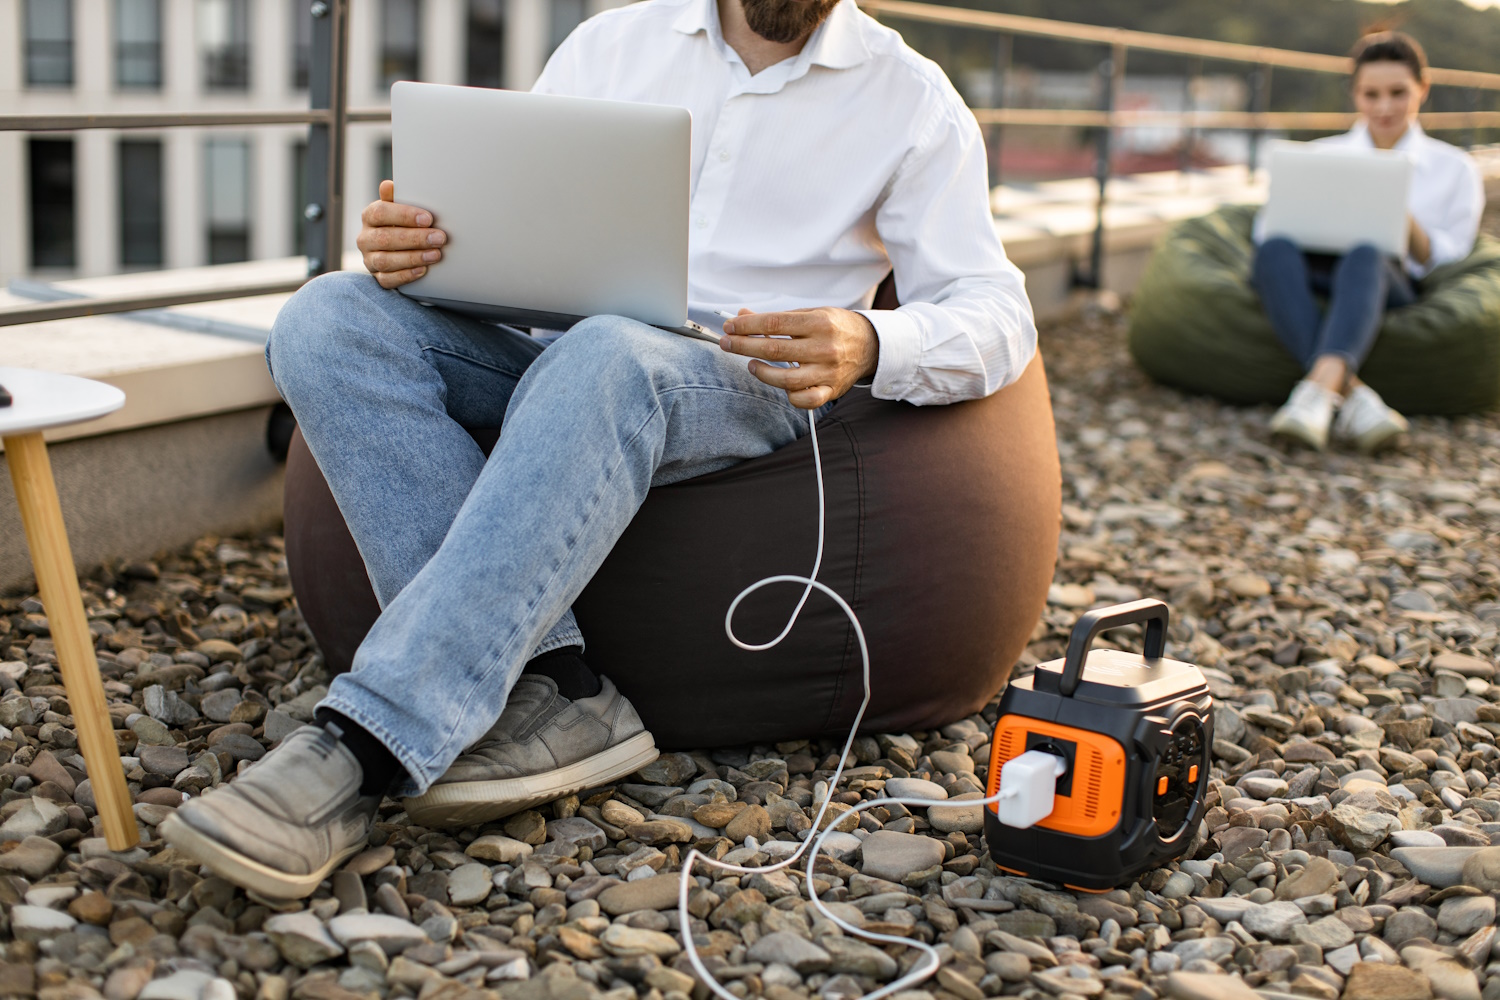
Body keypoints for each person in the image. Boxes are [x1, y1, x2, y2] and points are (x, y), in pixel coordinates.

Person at [158, 0, 1037, 898]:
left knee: (610, 353)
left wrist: (870, 341)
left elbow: (999, 312)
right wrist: (418, 250)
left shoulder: (912, 99)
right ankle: (557, 686)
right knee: (325, 317)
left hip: (741, 381)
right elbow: (514, 230)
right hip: (557, 352)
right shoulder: (610, 44)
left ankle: (366, 744)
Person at [1252, 31, 1485, 452]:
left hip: (1389, 281)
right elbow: (1266, 227)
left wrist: (1396, 210)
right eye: (1370, 94)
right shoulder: (1322, 155)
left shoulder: (1455, 168)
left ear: (1422, 90)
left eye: (1398, 93)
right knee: (1273, 250)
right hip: (1319, 270)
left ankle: (1318, 395)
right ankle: (1352, 395)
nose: (1384, 108)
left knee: (1367, 252)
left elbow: (1450, 254)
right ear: (1354, 94)